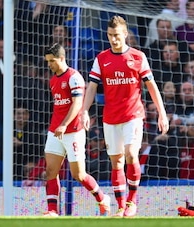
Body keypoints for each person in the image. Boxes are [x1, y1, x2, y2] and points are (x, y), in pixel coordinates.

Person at [82, 16, 169, 217]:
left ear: (125, 34)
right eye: (110, 35)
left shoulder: (138, 57)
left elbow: (151, 86)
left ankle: (132, 201)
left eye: (117, 35)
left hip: (133, 115)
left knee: (131, 154)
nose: (114, 39)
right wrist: (85, 111)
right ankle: (121, 207)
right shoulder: (101, 59)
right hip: (110, 118)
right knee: (117, 162)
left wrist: (162, 113)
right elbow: (92, 86)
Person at [42, 43, 110, 217]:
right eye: (47, 61)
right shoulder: (52, 80)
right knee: (51, 171)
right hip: (55, 131)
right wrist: (58, 126)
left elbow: (77, 104)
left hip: (72, 131)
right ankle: (52, 211)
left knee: (78, 174)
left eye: (52, 61)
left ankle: (103, 199)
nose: (49, 64)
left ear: (62, 58)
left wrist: (64, 124)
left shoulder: (74, 77)